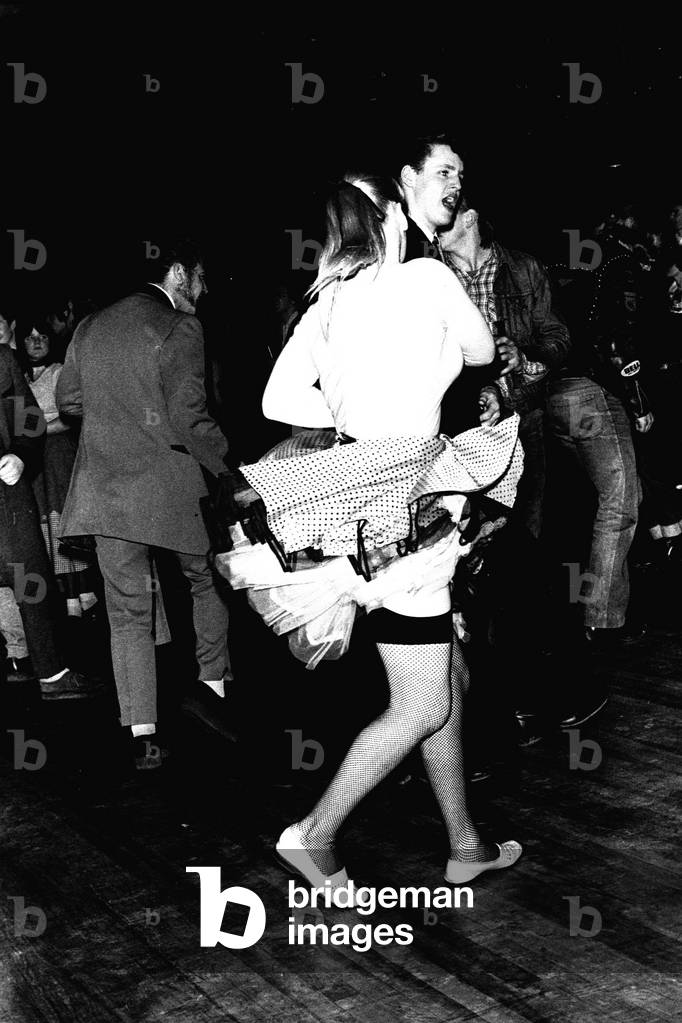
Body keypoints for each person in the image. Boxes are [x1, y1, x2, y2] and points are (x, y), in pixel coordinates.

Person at [218, 174, 523, 889]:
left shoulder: (328, 302)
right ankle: (313, 834)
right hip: (408, 525)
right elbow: (481, 352)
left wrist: (357, 422)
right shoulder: (425, 275)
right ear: (390, 214)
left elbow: (277, 398)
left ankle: (465, 844)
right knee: (423, 699)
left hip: (365, 516)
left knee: (443, 672)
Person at [56, 238, 233, 768]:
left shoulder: (90, 325)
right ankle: (214, 689)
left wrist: (118, 414)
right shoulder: (180, 327)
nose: (202, 291)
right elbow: (191, 417)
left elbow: (68, 401)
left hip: (107, 491)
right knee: (207, 579)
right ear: (178, 273)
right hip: (171, 489)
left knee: (127, 612)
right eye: (199, 279)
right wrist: (231, 468)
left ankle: (142, 731)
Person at [547, 204, 653, 651]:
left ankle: (574, 611)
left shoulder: (567, 259)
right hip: (592, 392)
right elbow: (616, 341)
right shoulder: (618, 263)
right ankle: (603, 619)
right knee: (622, 501)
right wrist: (638, 398)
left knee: (582, 505)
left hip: (551, 392)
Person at [0, 344, 102, 699]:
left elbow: (29, 419)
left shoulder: (1, 359)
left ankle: (51, 672)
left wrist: (19, 455)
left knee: (30, 578)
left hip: (5, 493)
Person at [398, 134, 501, 433]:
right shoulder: (402, 252)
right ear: (410, 177)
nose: (456, 184)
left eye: (459, 175)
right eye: (444, 172)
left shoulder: (428, 250)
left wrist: (485, 390)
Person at [15, 314, 99, 617]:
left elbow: (71, 415)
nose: (36, 342)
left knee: (65, 519)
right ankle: (67, 596)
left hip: (59, 454)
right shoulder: (20, 378)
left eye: (43, 337)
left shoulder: (59, 372)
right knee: (44, 522)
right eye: (30, 336)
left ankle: (85, 591)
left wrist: (35, 433)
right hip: (35, 462)